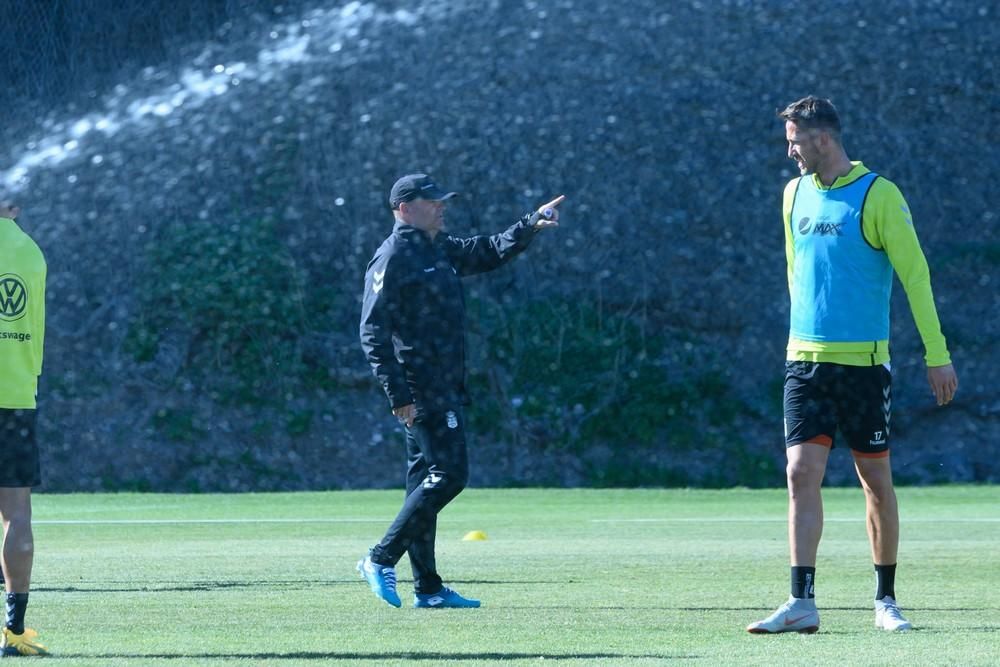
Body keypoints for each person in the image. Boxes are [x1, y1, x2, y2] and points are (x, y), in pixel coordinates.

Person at [746, 96, 959, 635]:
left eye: (795, 140)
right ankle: (801, 602)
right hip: (804, 363)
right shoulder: (792, 194)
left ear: (822, 139)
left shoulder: (879, 195)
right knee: (800, 473)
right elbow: (799, 276)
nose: (790, 150)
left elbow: (916, 277)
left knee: (874, 479)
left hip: (864, 368)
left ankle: (885, 600)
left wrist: (938, 356)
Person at [358, 173, 563, 609]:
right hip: (421, 386)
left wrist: (529, 224)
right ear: (404, 208)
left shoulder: (437, 248)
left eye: (441, 200)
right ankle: (379, 559)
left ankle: (429, 589)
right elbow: (372, 332)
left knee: (423, 484)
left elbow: (485, 251)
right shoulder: (393, 255)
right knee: (451, 475)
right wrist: (399, 395)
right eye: (432, 201)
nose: (441, 206)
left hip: (444, 384)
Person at [0, 200, 49, 656]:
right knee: (15, 511)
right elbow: (32, 328)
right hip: (13, 397)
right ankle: (13, 631)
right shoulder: (30, 252)